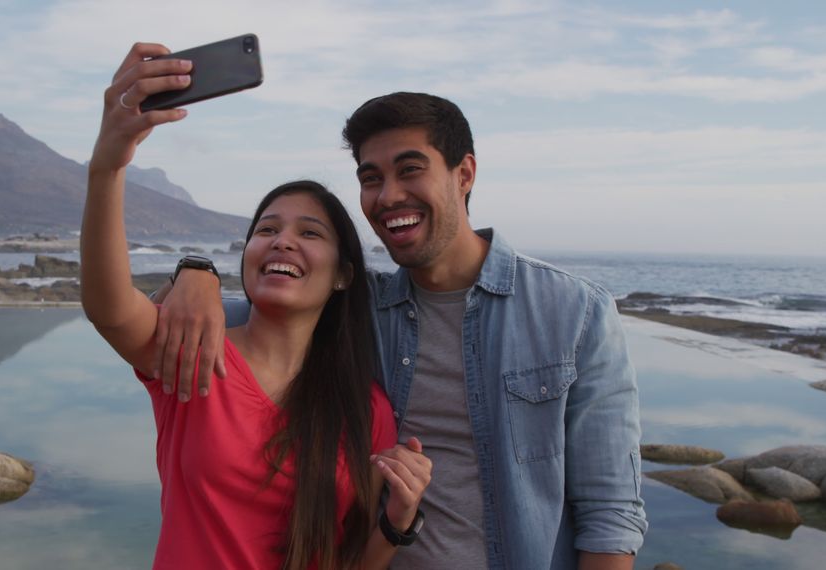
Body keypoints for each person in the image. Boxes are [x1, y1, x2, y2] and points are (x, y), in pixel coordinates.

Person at [159, 92, 648, 568]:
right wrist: (195, 271)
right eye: (371, 178)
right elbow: (215, 314)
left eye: (410, 170)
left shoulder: (574, 312)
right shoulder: (352, 308)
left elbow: (610, 513)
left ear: (465, 174)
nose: (389, 195)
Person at [80, 43, 432, 570]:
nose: (282, 241)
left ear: (342, 275)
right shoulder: (193, 351)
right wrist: (108, 166)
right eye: (266, 230)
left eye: (308, 233)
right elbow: (108, 307)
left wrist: (397, 521)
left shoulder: (366, 408)